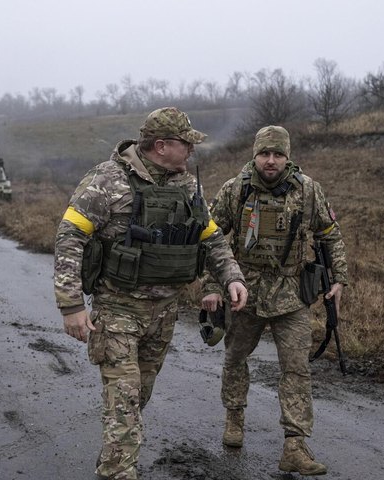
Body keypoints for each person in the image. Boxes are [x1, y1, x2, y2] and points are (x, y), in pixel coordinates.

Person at [54, 107, 249, 480]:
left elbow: (210, 237)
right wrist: (71, 304)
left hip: (164, 314)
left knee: (137, 397)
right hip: (117, 311)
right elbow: (70, 237)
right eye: (186, 143)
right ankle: (118, 471)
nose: (191, 150)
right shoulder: (107, 180)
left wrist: (232, 278)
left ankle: (113, 458)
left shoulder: (185, 185)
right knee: (125, 404)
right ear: (161, 146)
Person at [201, 125, 348, 476]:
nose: (271, 161)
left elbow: (330, 234)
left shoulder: (308, 190)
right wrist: (211, 284)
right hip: (243, 292)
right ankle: (234, 420)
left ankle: (295, 445)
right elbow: (210, 237)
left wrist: (339, 278)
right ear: (255, 155)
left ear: (287, 156)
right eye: (265, 154)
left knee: (296, 369)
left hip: (291, 295)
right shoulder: (235, 189)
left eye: (278, 154)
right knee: (235, 358)